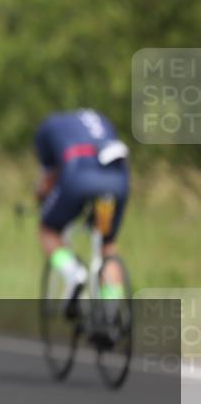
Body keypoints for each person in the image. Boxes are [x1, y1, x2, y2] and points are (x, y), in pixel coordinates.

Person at [33, 109, 130, 302]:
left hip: (78, 177)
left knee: (48, 230)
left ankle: (73, 273)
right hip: (117, 181)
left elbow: (48, 180)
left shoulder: (47, 128)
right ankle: (112, 303)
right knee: (106, 243)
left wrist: (40, 199)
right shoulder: (102, 119)